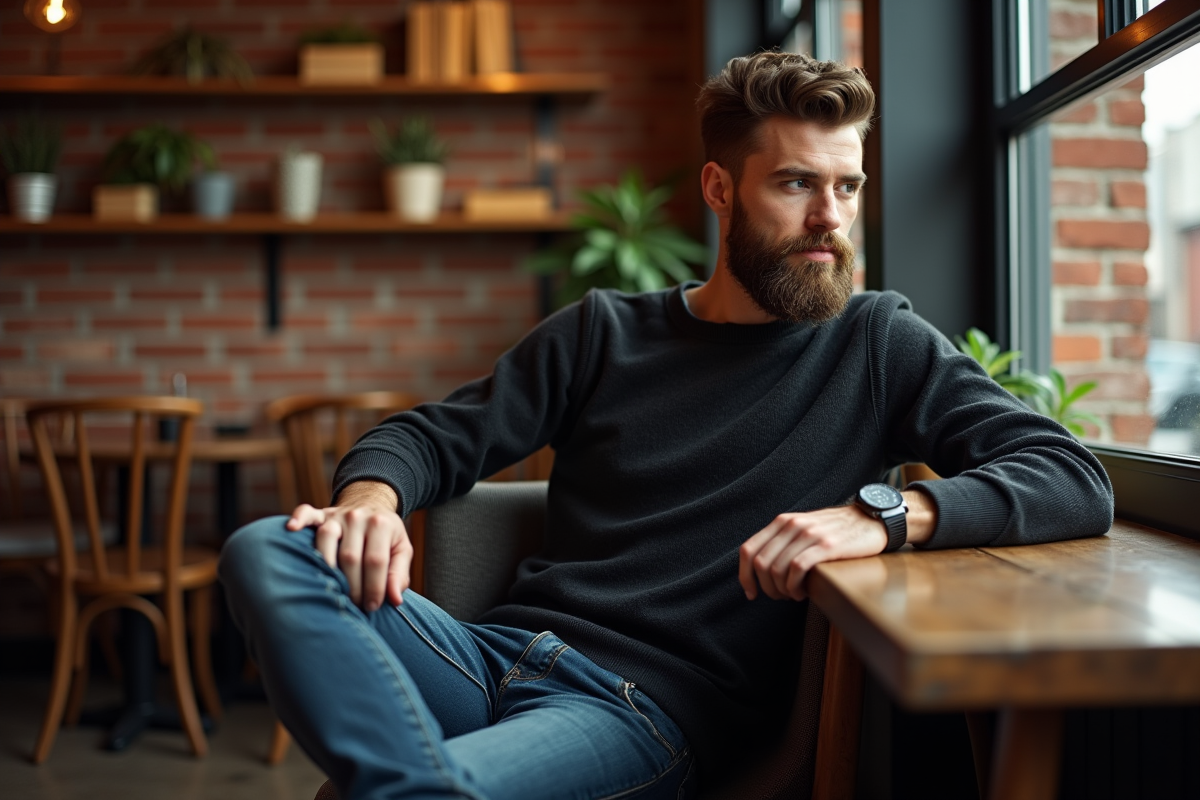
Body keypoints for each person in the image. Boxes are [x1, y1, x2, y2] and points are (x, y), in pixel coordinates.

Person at [219, 52, 1113, 800]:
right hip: (485, 656)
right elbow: (427, 436)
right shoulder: (604, 331)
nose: (830, 219)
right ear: (720, 189)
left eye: (847, 186)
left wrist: (884, 514)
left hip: (633, 711)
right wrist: (370, 501)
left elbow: (1072, 476)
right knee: (267, 549)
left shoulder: (878, 341)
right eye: (797, 183)